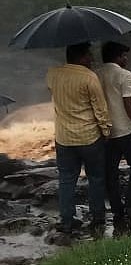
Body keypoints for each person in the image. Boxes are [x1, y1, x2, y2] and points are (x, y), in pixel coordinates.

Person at [46, 42, 112, 233]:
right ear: (80, 57)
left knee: (66, 179)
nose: (91, 59)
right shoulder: (90, 77)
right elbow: (100, 109)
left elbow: (54, 93)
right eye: (89, 55)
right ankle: (97, 217)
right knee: (96, 178)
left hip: (64, 138)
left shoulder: (52, 74)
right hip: (89, 137)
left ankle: (67, 220)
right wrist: (106, 131)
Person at [97, 41, 131, 223]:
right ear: (117, 57)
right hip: (127, 129)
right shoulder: (124, 75)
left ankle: (117, 209)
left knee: (110, 172)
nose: (126, 59)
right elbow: (129, 104)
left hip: (106, 133)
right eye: (124, 56)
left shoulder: (95, 75)